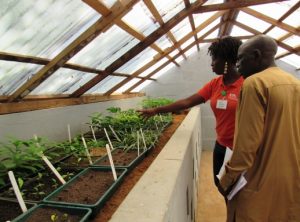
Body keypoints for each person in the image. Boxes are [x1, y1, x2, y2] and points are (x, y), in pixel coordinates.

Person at [138, 36, 243, 193]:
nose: (212, 63)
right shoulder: (215, 84)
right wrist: (156, 110)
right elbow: (187, 102)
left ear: (227, 60)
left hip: (241, 150)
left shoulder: (247, 83)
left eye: (215, 59)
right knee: (221, 185)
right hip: (221, 145)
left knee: (239, 191)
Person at [219, 35, 300, 221]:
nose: (237, 64)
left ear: (256, 56)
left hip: (258, 180)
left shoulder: (254, 84)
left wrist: (226, 181)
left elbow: (246, 147)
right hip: (291, 179)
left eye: (240, 58)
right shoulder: (296, 83)